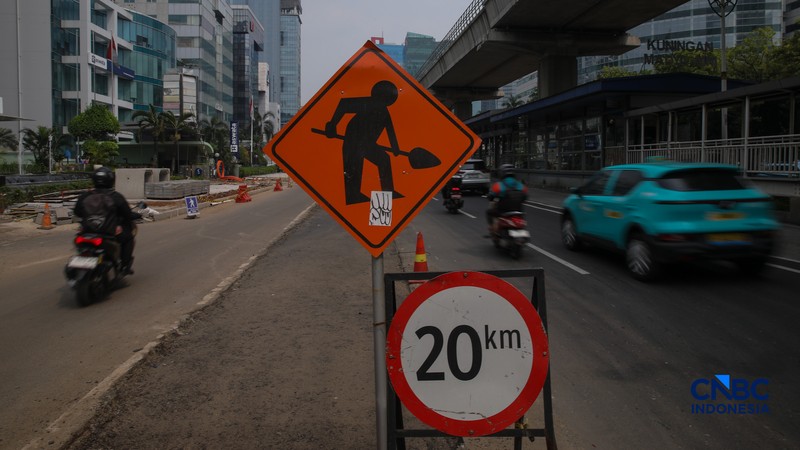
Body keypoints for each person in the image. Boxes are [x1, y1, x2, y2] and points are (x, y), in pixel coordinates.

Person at [74, 167, 140, 275]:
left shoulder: (85, 196)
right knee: (128, 237)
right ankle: (124, 265)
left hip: (86, 232)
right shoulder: (116, 197)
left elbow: (77, 212)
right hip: (107, 233)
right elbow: (127, 214)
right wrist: (135, 215)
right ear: (111, 180)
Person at [486, 164, 528, 232]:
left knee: (489, 212)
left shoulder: (498, 185)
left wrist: (491, 197)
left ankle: (493, 229)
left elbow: (491, 196)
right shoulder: (521, 185)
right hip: (519, 211)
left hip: (503, 211)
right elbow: (525, 197)